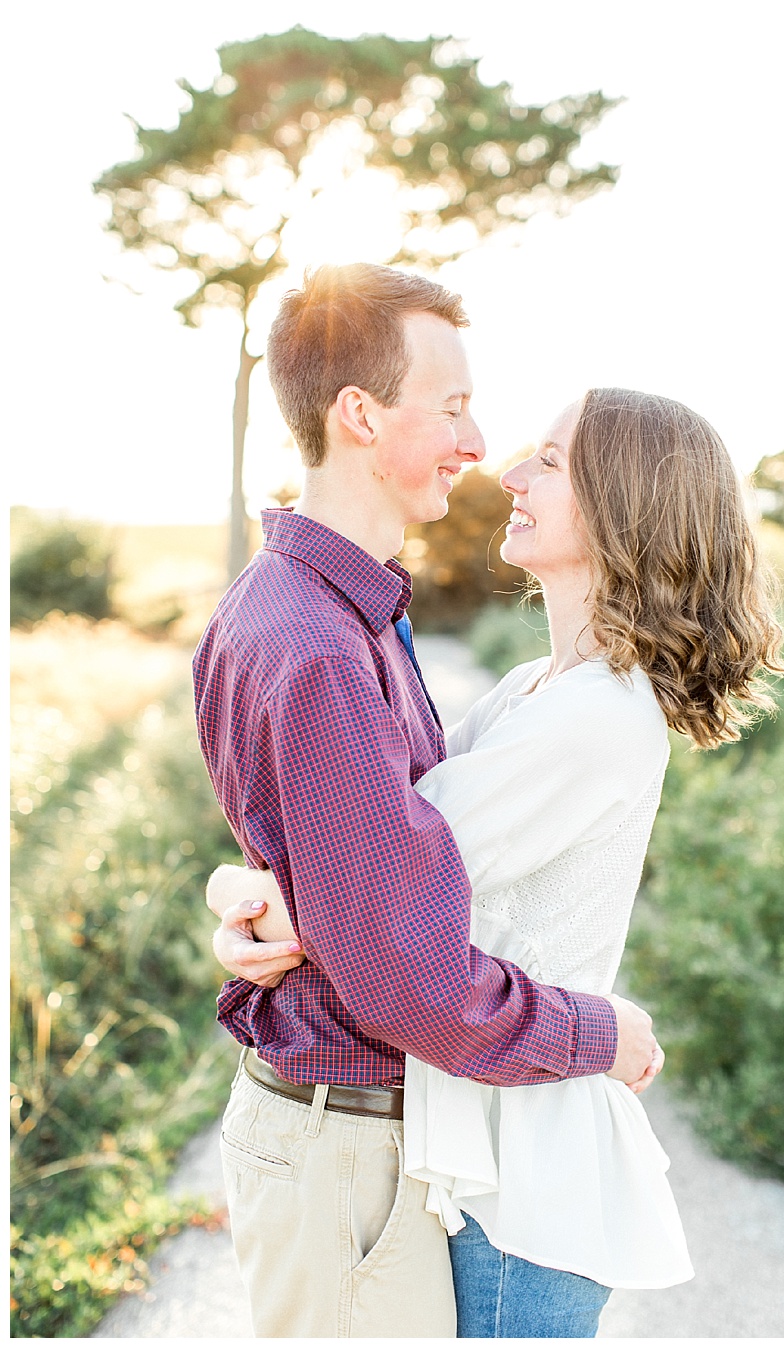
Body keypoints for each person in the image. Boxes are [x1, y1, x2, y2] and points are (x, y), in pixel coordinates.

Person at [211, 384, 784, 1334]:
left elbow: (378, 876)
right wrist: (236, 891)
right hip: (488, 1146)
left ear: (625, 508)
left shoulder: (598, 716)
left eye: (550, 462)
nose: (510, 474)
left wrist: (256, 902)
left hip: (531, 1183)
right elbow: (363, 845)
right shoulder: (534, 690)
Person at [193, 264, 658, 1337]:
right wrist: (603, 1029)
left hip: (360, 1129)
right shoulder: (316, 643)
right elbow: (403, 968)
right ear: (360, 413)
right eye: (451, 408)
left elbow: (350, 853)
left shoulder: (337, 612)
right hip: (342, 1138)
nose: (476, 440)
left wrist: (267, 894)